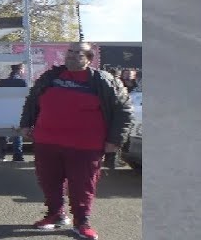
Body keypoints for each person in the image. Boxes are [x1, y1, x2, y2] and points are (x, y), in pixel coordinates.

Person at [19, 43, 134, 238]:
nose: (71, 56)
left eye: (78, 53)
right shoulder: (51, 77)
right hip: (47, 142)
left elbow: (124, 110)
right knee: (49, 182)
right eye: (69, 52)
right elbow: (33, 100)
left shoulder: (104, 81)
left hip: (85, 146)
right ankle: (55, 214)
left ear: (89, 58)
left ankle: (82, 222)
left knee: (82, 186)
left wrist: (115, 140)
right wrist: (26, 124)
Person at [0, 63, 29, 162]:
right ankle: (17, 155)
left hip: (4, 110)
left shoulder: (2, 82)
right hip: (18, 110)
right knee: (17, 132)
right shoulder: (22, 82)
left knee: (5, 133)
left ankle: (0, 154)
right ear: (20, 70)